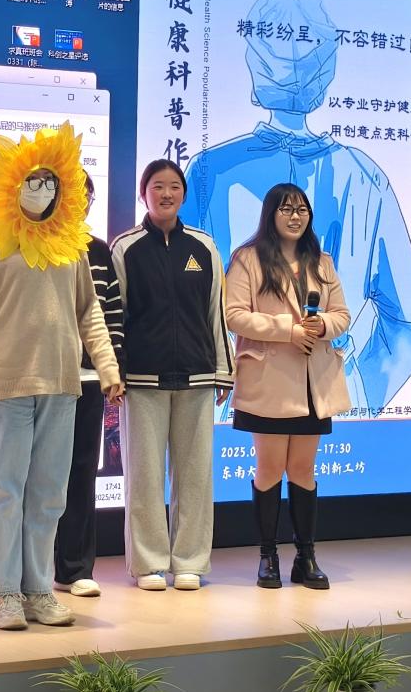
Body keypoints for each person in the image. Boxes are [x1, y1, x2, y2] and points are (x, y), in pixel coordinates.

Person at [180, 0, 411, 414]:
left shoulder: (210, 169)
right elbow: (407, 325)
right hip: (265, 392)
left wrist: (349, 392)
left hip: (251, 395)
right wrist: (357, 391)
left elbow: (409, 323)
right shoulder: (363, 176)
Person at [0, 127, 122, 631]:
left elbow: (89, 311)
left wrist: (107, 368)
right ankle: (5, 591)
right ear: (14, 181)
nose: (43, 190)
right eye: (34, 181)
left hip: (63, 384)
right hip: (6, 384)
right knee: (6, 489)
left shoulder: (71, 243)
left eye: (52, 182)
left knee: (48, 492)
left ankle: (39, 588)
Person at [110, 159, 235, 592]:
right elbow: (115, 316)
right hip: (142, 379)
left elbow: (216, 312)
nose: (166, 194)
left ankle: (190, 562)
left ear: (184, 194)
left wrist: (223, 371)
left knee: (195, 477)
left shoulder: (204, 246)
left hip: (198, 377)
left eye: (174, 187)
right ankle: (148, 564)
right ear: (143, 194)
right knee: (144, 477)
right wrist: (115, 373)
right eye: (157, 186)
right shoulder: (125, 247)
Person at [225, 182, 351, 591]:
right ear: (271, 214)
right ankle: (268, 556)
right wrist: (288, 330)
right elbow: (234, 315)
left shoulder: (322, 261)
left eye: (302, 210)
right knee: (269, 468)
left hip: (314, 384)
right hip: (269, 381)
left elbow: (342, 314)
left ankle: (305, 556)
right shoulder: (248, 259)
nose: (295, 217)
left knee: (303, 469)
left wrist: (321, 325)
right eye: (286, 209)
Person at [53, 172, 125, 599]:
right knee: (42, 475)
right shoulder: (34, 243)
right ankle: (29, 570)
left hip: (88, 379)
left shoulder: (98, 251)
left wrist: (110, 368)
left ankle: (75, 568)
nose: (79, 203)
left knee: (82, 472)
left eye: (86, 197)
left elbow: (110, 313)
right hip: (45, 380)